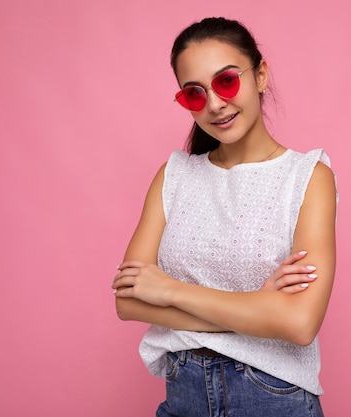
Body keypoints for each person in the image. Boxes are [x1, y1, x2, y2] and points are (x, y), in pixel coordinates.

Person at [112, 16, 337, 417]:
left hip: (272, 400)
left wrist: (170, 291)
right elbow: (129, 300)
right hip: (184, 397)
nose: (215, 104)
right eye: (194, 94)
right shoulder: (174, 176)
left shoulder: (307, 177)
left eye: (227, 81)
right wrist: (257, 309)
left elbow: (300, 324)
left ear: (261, 75)